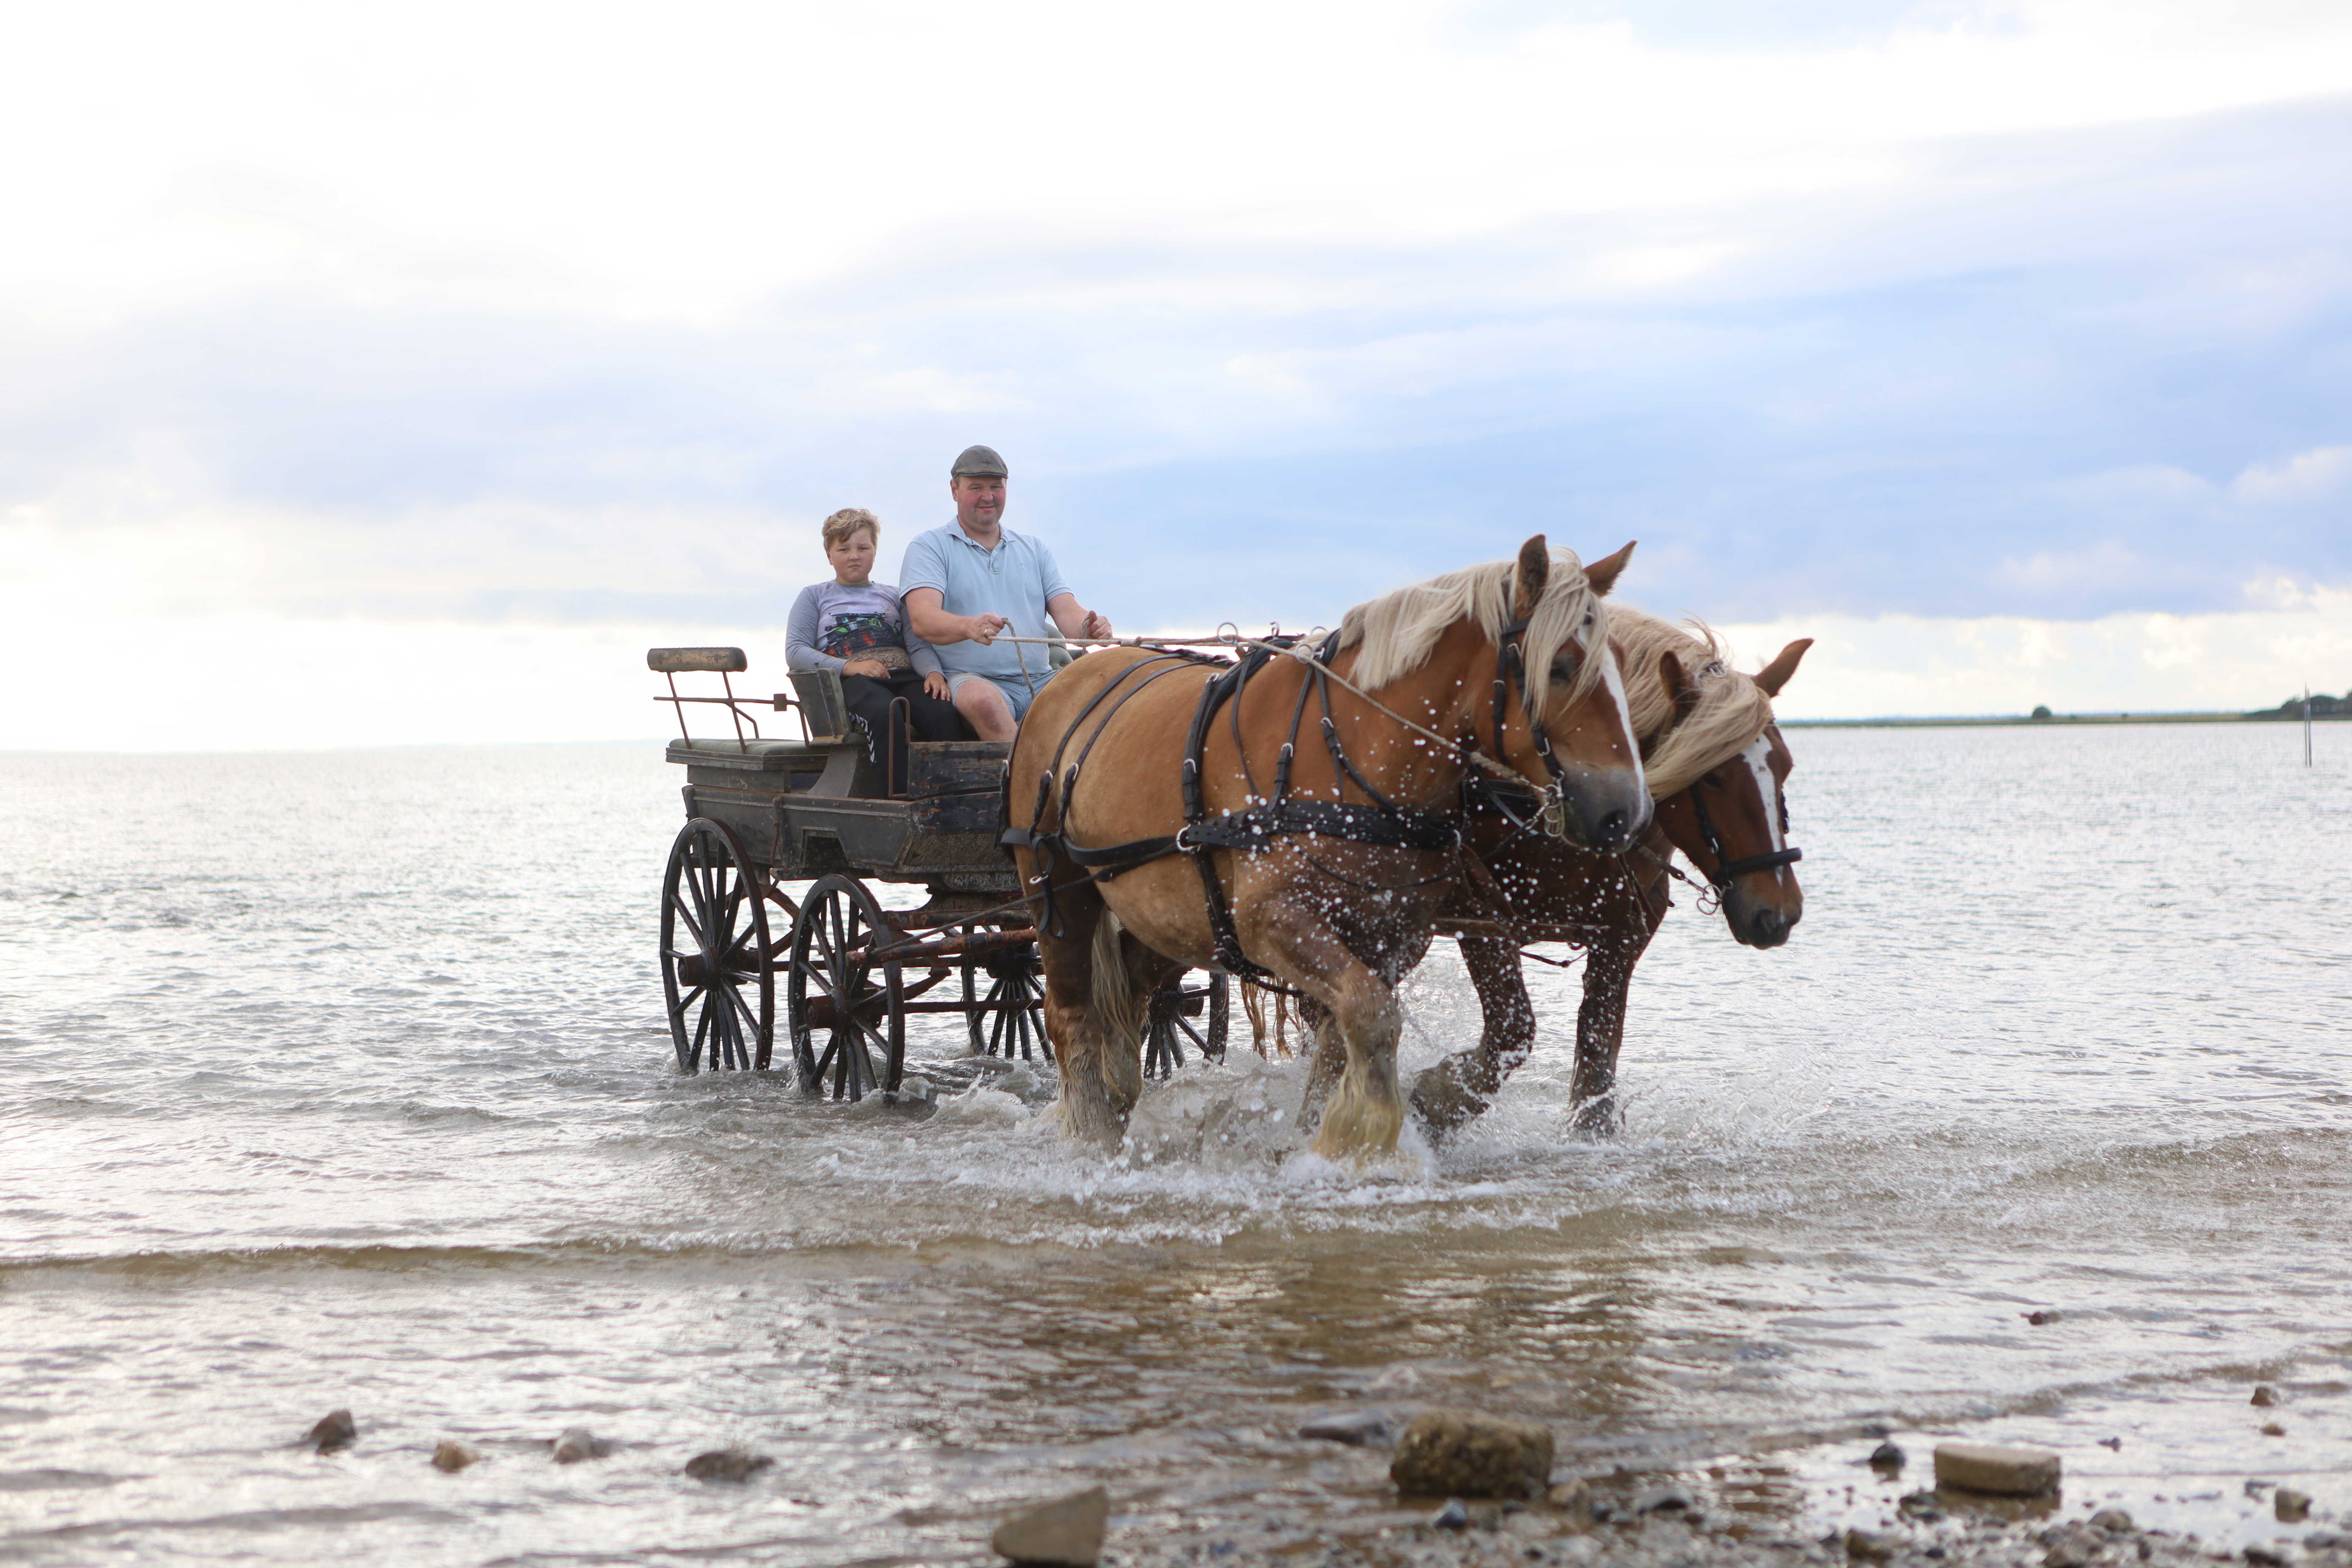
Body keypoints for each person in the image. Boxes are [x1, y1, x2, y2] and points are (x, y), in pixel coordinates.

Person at [899, 444, 1113, 742]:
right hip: (972, 679)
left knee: (1109, 696)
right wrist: (968, 627)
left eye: (996, 487)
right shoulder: (929, 547)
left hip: (1041, 679)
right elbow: (923, 618)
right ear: (954, 490)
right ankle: (1028, 783)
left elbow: (1067, 612)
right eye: (976, 488)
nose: (988, 497)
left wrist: (1090, 628)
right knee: (985, 702)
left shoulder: (1034, 549)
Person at [786, 507, 972, 793]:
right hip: (852, 681)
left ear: (875, 551)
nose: (854, 556)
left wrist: (934, 673)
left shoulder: (894, 596)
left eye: (863, 547)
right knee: (886, 712)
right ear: (829, 555)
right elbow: (796, 651)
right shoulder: (815, 596)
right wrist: (849, 667)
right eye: (844, 548)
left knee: (942, 714)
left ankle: (952, 792)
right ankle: (895, 795)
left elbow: (917, 644)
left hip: (904, 674)